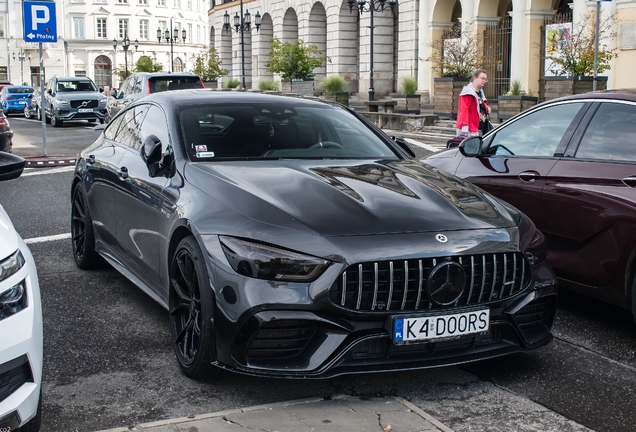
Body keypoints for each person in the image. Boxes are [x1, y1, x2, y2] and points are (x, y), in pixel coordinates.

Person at [455, 69, 492, 138]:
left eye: (486, 79)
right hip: (470, 130)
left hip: (479, 129)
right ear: (475, 77)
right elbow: (464, 110)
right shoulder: (468, 92)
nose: (484, 81)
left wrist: (487, 108)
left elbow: (479, 106)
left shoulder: (480, 92)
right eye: (482, 78)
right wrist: (464, 128)